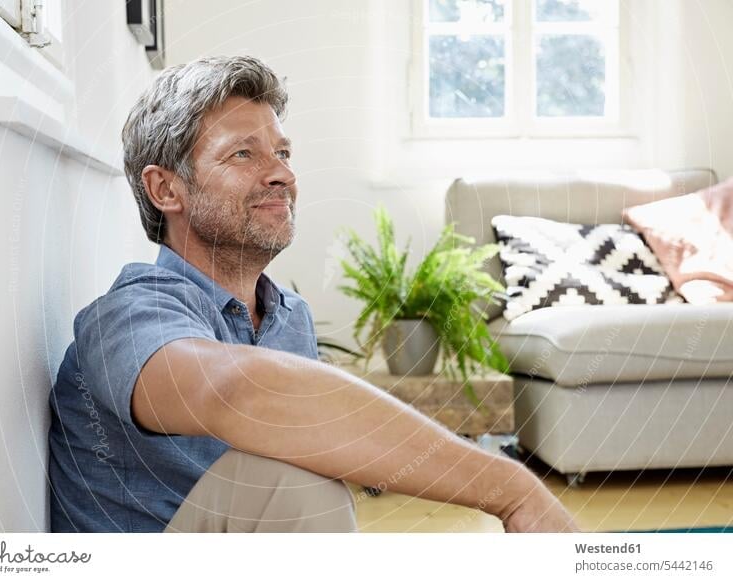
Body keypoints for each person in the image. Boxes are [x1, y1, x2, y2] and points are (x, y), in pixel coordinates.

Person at [47, 55, 578, 533]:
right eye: (242, 155)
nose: (281, 173)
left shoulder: (287, 317)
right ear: (166, 190)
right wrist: (513, 491)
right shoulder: (127, 313)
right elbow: (234, 393)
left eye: (281, 151)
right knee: (295, 483)